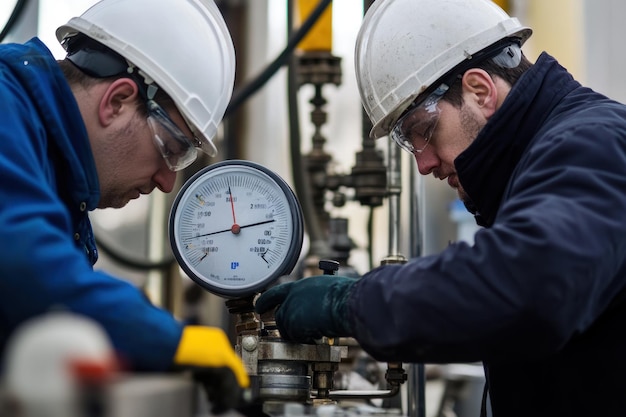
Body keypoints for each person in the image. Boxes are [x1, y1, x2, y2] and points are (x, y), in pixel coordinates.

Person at [255, 0, 626, 416]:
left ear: (480, 90)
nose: (424, 163)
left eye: (423, 131)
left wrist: (350, 304)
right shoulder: (544, 163)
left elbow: (526, 290)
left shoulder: (593, 144)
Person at [0, 0, 248, 412]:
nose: (167, 182)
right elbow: (23, 261)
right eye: (171, 149)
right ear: (116, 101)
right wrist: (168, 339)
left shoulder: (50, 170)